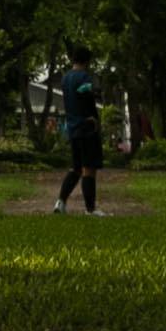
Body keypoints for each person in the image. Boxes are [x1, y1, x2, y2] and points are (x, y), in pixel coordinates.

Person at [52, 55, 106, 214]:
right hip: (86, 127)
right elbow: (87, 97)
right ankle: (90, 209)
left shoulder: (65, 78)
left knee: (75, 168)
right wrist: (92, 117)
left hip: (73, 127)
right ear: (87, 61)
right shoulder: (84, 77)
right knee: (89, 168)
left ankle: (60, 203)